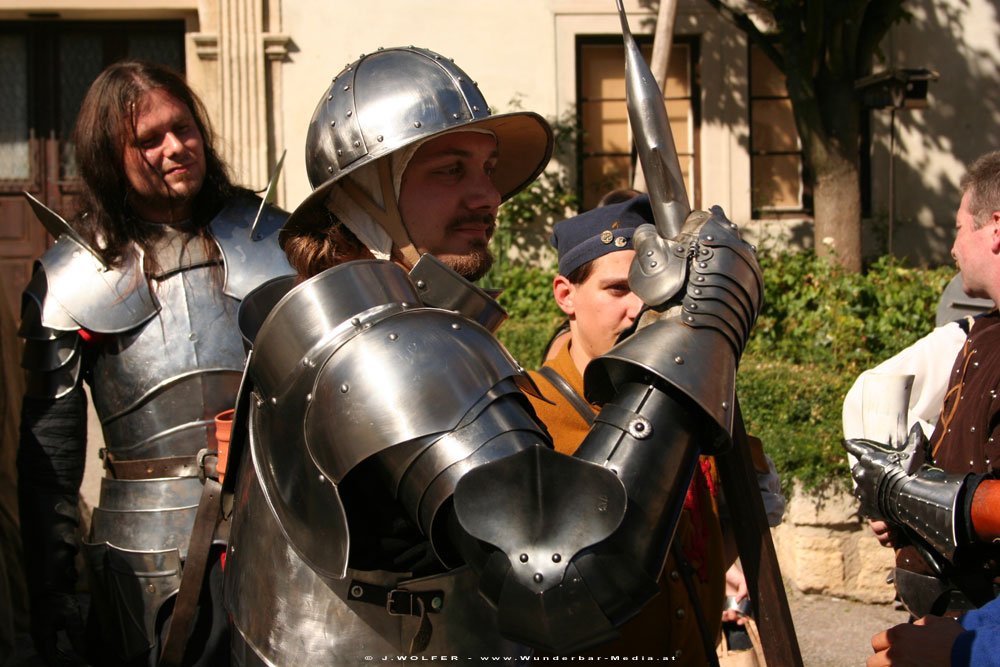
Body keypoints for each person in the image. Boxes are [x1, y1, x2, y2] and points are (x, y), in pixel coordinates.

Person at [223, 45, 763, 663]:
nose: (487, 196)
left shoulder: (332, 327)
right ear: (366, 192)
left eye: (488, 168)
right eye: (450, 170)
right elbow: (564, 581)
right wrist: (703, 322)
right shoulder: (387, 346)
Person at [16, 60, 291, 666]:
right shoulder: (71, 278)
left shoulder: (272, 238)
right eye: (148, 140)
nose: (176, 148)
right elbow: (51, 456)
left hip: (280, 527)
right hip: (143, 556)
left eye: (184, 128)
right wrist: (53, 589)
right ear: (108, 157)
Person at [528, 194, 783, 662]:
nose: (638, 309)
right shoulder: (526, 412)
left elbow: (720, 524)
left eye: (647, 288)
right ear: (566, 294)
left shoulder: (690, 393)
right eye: (617, 289)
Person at [842, 150, 1000, 619]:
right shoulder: (983, 332)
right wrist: (906, 505)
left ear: (995, 228)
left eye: (958, 228)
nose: (953, 249)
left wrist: (908, 496)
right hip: (951, 618)